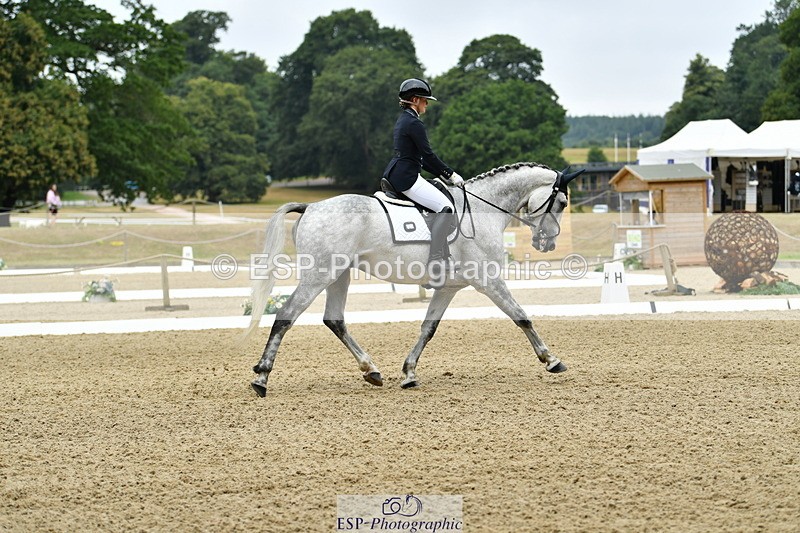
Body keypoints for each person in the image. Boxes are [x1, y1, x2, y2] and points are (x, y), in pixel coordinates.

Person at [381, 78, 464, 285]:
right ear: (415, 100)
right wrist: (450, 174)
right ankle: (435, 261)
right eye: (425, 100)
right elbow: (428, 155)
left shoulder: (404, 119)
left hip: (397, 173)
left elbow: (419, 158)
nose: (427, 104)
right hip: (407, 178)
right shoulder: (414, 123)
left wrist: (441, 175)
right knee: (446, 208)